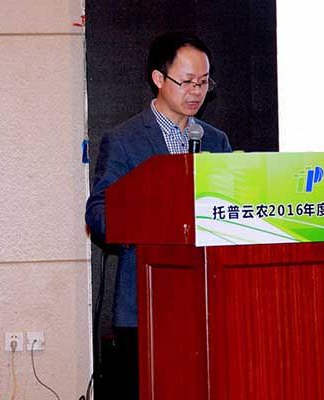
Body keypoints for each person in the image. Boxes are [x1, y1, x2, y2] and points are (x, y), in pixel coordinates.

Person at [85, 32, 232, 398]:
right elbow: (99, 212)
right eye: (187, 81)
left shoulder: (216, 141)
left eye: (204, 82)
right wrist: (150, 217)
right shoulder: (124, 139)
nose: (196, 91)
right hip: (146, 306)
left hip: (208, 302)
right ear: (158, 78)